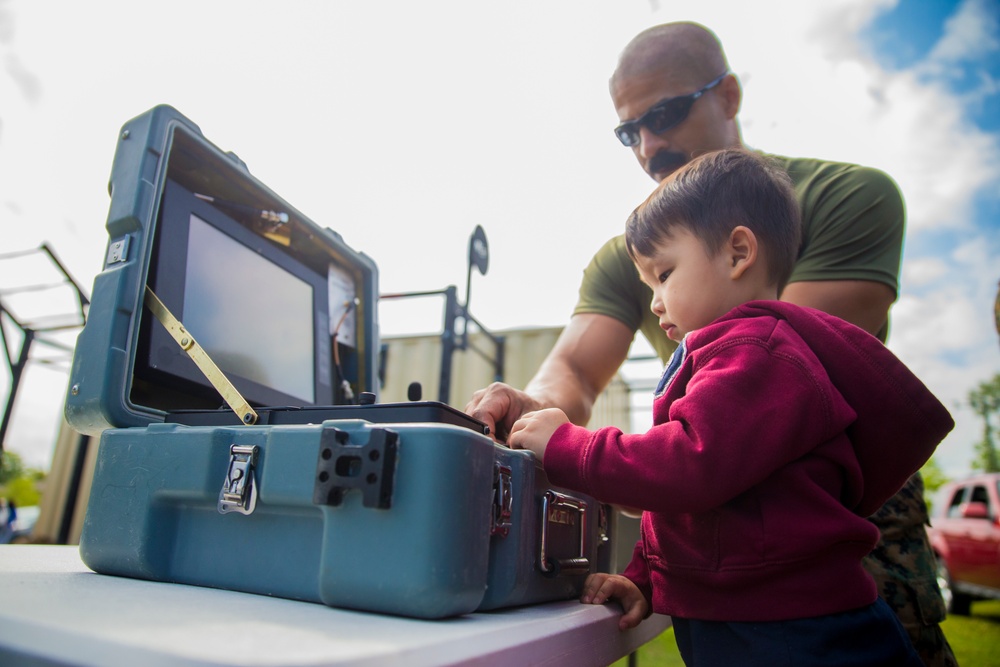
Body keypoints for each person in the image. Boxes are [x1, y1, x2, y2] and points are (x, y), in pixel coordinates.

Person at [466, 21, 958, 666]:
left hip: (810, 583)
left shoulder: (826, 229)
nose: (648, 145)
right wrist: (531, 415)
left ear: (727, 95)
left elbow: (705, 457)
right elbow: (580, 377)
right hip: (722, 551)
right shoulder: (639, 254)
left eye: (665, 114)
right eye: (628, 131)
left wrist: (568, 448)